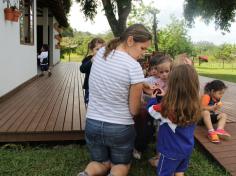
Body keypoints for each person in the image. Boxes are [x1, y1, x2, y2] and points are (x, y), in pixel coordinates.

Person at [78, 24, 152, 176]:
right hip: (120, 129)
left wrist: (139, 83)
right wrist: (142, 99)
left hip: (92, 124)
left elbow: (112, 78)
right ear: (130, 40)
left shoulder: (101, 54)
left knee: (100, 163)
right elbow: (134, 110)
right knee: (120, 164)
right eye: (143, 48)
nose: (143, 53)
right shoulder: (133, 66)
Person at [148, 64, 201, 176]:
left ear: (172, 85)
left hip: (170, 151)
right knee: (179, 171)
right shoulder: (196, 105)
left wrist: (153, 98)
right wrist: (163, 97)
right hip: (186, 149)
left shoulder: (166, 108)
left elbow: (151, 110)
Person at [133, 54, 173, 161]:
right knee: (147, 132)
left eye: (167, 71)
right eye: (161, 72)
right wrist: (147, 86)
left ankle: (159, 154)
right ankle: (138, 148)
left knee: (162, 133)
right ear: (156, 71)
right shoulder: (154, 80)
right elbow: (140, 82)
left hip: (164, 114)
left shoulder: (173, 82)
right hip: (151, 111)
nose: (164, 74)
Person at [80, 38, 105, 105]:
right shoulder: (88, 59)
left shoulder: (106, 60)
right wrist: (91, 61)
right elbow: (82, 69)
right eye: (97, 49)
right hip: (90, 87)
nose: (100, 52)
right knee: (90, 104)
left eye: (102, 49)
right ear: (92, 50)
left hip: (102, 88)